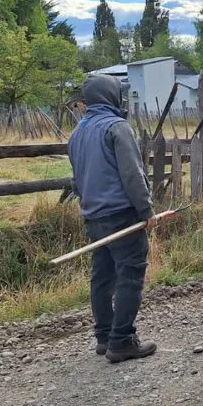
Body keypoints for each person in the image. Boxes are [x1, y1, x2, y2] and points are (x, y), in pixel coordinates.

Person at [68, 74, 159, 363]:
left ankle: (104, 337)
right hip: (122, 215)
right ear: (112, 96)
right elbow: (133, 174)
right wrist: (146, 210)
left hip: (93, 215)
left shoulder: (77, 133)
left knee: (102, 276)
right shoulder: (117, 128)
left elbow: (77, 179)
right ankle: (121, 341)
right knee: (130, 274)